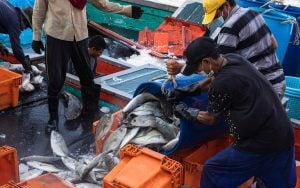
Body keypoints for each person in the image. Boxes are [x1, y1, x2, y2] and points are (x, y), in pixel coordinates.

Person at [168, 37, 296, 188]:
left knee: (212, 171)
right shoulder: (234, 60)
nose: (198, 71)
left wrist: (185, 111)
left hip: (258, 144)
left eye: (199, 67)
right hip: (282, 134)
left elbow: (211, 119)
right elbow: (212, 80)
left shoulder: (223, 83)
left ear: (207, 61)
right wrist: (188, 90)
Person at [31, 0, 143, 135]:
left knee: (87, 78)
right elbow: (39, 11)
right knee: (55, 80)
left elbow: (102, 4)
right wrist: (36, 37)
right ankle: (53, 119)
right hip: (57, 37)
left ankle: (88, 115)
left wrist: (127, 10)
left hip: (80, 37)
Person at [167, 0, 285, 99]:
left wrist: (182, 69)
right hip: (279, 81)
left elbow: (217, 70)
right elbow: (274, 44)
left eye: (217, 15)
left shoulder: (229, 28)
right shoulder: (253, 13)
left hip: (261, 90)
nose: (217, 20)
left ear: (227, 6)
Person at [0, 1, 34, 90]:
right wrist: (26, 65)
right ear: (24, 20)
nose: (24, 28)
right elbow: (16, 49)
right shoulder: (14, 21)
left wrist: (0, 45)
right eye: (27, 26)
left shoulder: (11, 10)